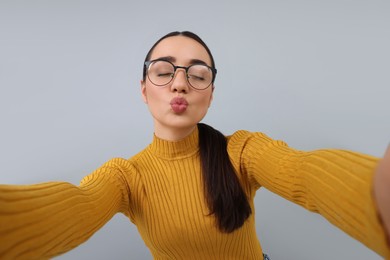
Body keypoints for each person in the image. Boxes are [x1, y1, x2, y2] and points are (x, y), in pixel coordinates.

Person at [0, 31, 389, 259]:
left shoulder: (242, 151)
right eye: (164, 71)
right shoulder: (126, 176)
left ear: (211, 94)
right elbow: (76, 208)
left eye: (197, 74)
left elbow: (304, 173)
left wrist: (377, 193)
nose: (180, 82)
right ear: (143, 89)